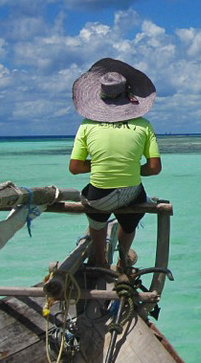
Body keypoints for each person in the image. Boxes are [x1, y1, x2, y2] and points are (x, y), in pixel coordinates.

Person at [69, 58, 162, 270]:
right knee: (130, 221)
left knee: (96, 216)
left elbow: (75, 168)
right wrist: (131, 167)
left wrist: (100, 164)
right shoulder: (144, 126)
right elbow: (154, 168)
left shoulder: (86, 126)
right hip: (131, 193)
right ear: (129, 96)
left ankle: (100, 260)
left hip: (99, 198)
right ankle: (123, 259)